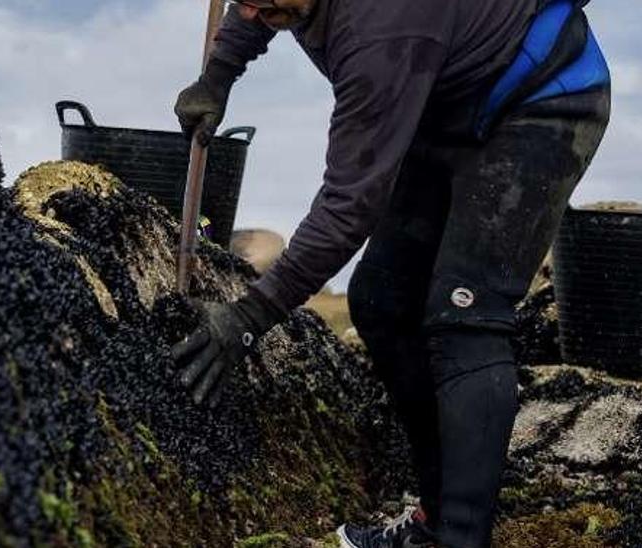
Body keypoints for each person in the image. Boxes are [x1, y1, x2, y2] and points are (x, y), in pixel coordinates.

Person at [169, 0, 610, 546]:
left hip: (541, 98)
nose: (257, 9)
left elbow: (349, 206)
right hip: (441, 99)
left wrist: (250, 317)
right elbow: (249, 13)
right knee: (381, 301)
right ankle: (435, 516)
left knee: (464, 314)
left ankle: (460, 538)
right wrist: (217, 77)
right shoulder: (283, 4)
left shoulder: (382, 30)